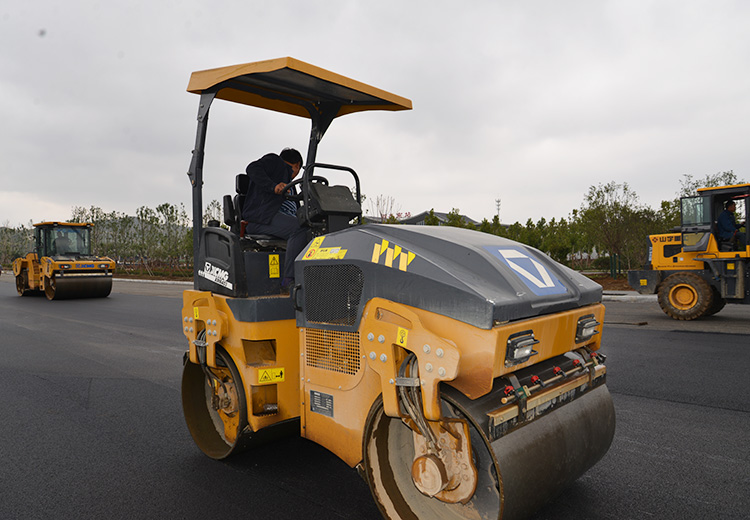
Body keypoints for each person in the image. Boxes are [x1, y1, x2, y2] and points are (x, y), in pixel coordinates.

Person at [241, 148, 307, 290]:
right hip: (260, 220)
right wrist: (273, 186)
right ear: (297, 165)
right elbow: (252, 168)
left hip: (277, 222)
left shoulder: (291, 187)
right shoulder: (275, 162)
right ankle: (289, 280)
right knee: (300, 229)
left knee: (311, 228)